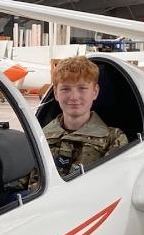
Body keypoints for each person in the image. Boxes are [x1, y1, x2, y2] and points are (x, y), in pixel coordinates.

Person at [23, 56, 129, 187]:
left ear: (95, 92)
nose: (74, 97)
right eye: (65, 89)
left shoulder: (114, 139)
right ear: (56, 93)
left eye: (82, 88)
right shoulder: (39, 137)